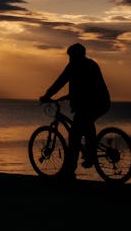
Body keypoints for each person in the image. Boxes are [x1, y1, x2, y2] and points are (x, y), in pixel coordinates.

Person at [39, 43, 111, 176]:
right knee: (82, 126)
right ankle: (87, 154)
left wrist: (47, 97)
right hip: (88, 103)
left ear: (77, 55)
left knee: (75, 135)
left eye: (71, 56)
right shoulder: (77, 66)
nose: (69, 59)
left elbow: (89, 88)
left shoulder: (88, 66)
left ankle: (78, 164)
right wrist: (49, 95)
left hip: (98, 102)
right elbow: (60, 82)